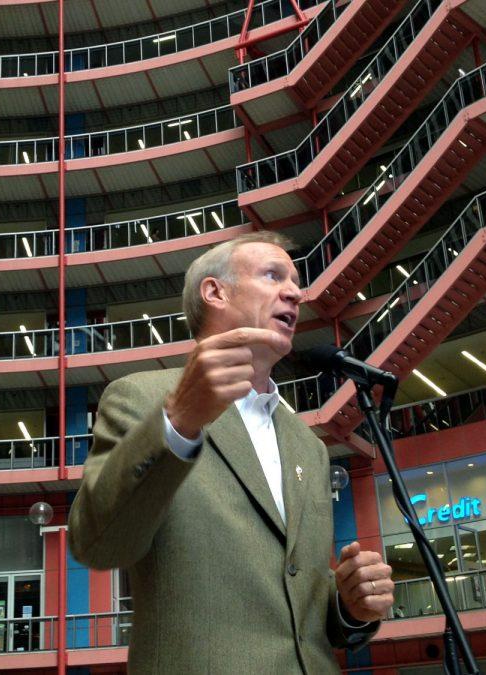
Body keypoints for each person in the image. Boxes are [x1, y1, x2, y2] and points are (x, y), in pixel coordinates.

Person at [69, 232, 394, 673]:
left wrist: (350, 607)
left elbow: (303, 613)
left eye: (295, 281)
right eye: (272, 275)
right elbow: (98, 545)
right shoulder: (141, 399)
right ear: (215, 291)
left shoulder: (308, 446)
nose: (295, 292)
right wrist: (178, 422)